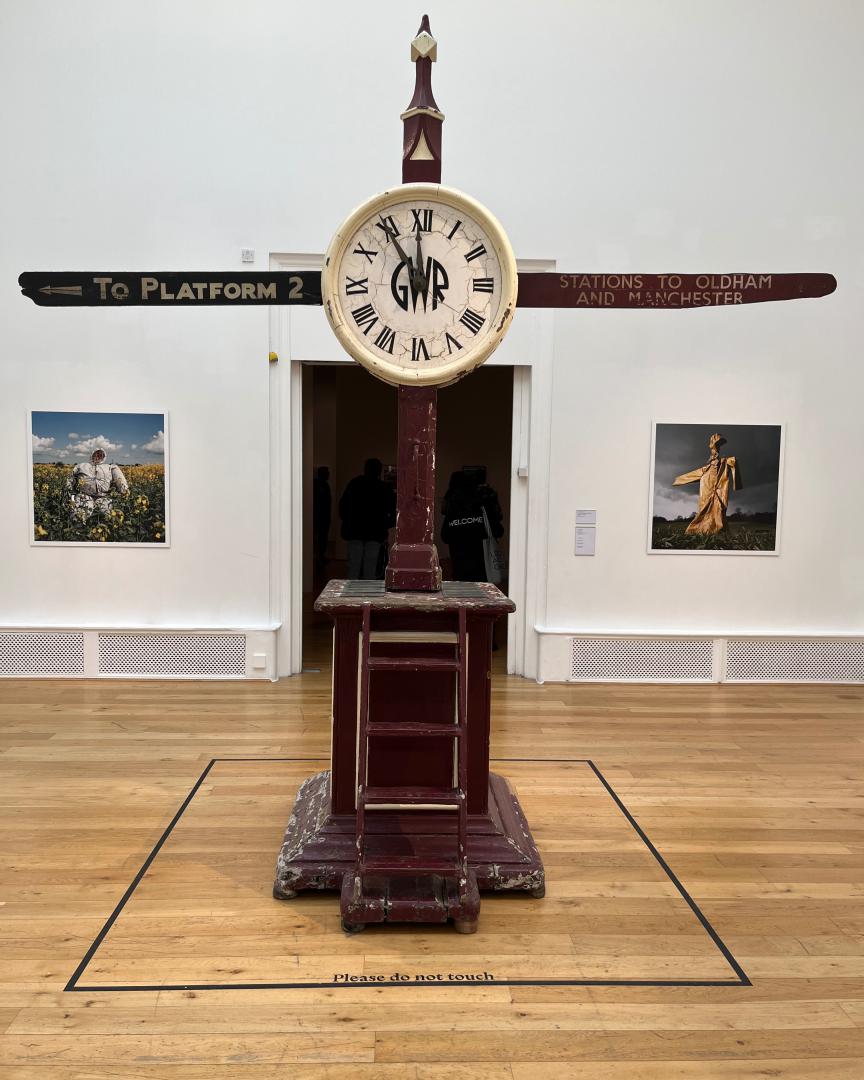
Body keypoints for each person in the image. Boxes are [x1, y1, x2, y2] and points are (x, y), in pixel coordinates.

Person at [441, 468, 504, 582]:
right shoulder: (483, 505)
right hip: (484, 572)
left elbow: (445, 536)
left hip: (460, 571)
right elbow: (498, 531)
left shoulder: (453, 507)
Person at [338, 458, 396, 579]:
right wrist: (386, 524)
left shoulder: (354, 483)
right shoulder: (384, 488)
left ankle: (352, 595)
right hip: (375, 533)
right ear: (379, 471)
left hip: (354, 531)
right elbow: (393, 510)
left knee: (353, 567)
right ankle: (368, 595)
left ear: (365, 469)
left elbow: (343, 506)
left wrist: (348, 520)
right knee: (371, 567)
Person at [67, 448, 129, 523]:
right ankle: (78, 530)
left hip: (104, 497)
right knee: (79, 516)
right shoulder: (82, 466)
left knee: (107, 517)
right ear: (92, 455)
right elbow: (70, 479)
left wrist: (124, 491)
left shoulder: (109, 467)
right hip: (84, 496)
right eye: (96, 454)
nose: (98, 456)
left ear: (104, 456)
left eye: (100, 454)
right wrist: (71, 495)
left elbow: (120, 479)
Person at [312, 465, 331, 574]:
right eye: (327, 473)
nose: (329, 475)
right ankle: (318, 558)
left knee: (323, 539)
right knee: (318, 539)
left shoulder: (325, 485)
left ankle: (320, 557)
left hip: (324, 517)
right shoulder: (317, 485)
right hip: (318, 517)